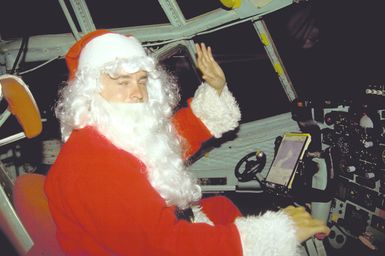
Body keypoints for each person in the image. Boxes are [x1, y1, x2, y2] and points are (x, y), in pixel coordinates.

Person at [45, 29, 329, 255]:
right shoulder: (92, 164)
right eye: (123, 82)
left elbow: (171, 138)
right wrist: (277, 232)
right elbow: (165, 247)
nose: (137, 93)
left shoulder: (109, 134)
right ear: (89, 90)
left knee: (222, 206)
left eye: (142, 81)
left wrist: (215, 89)